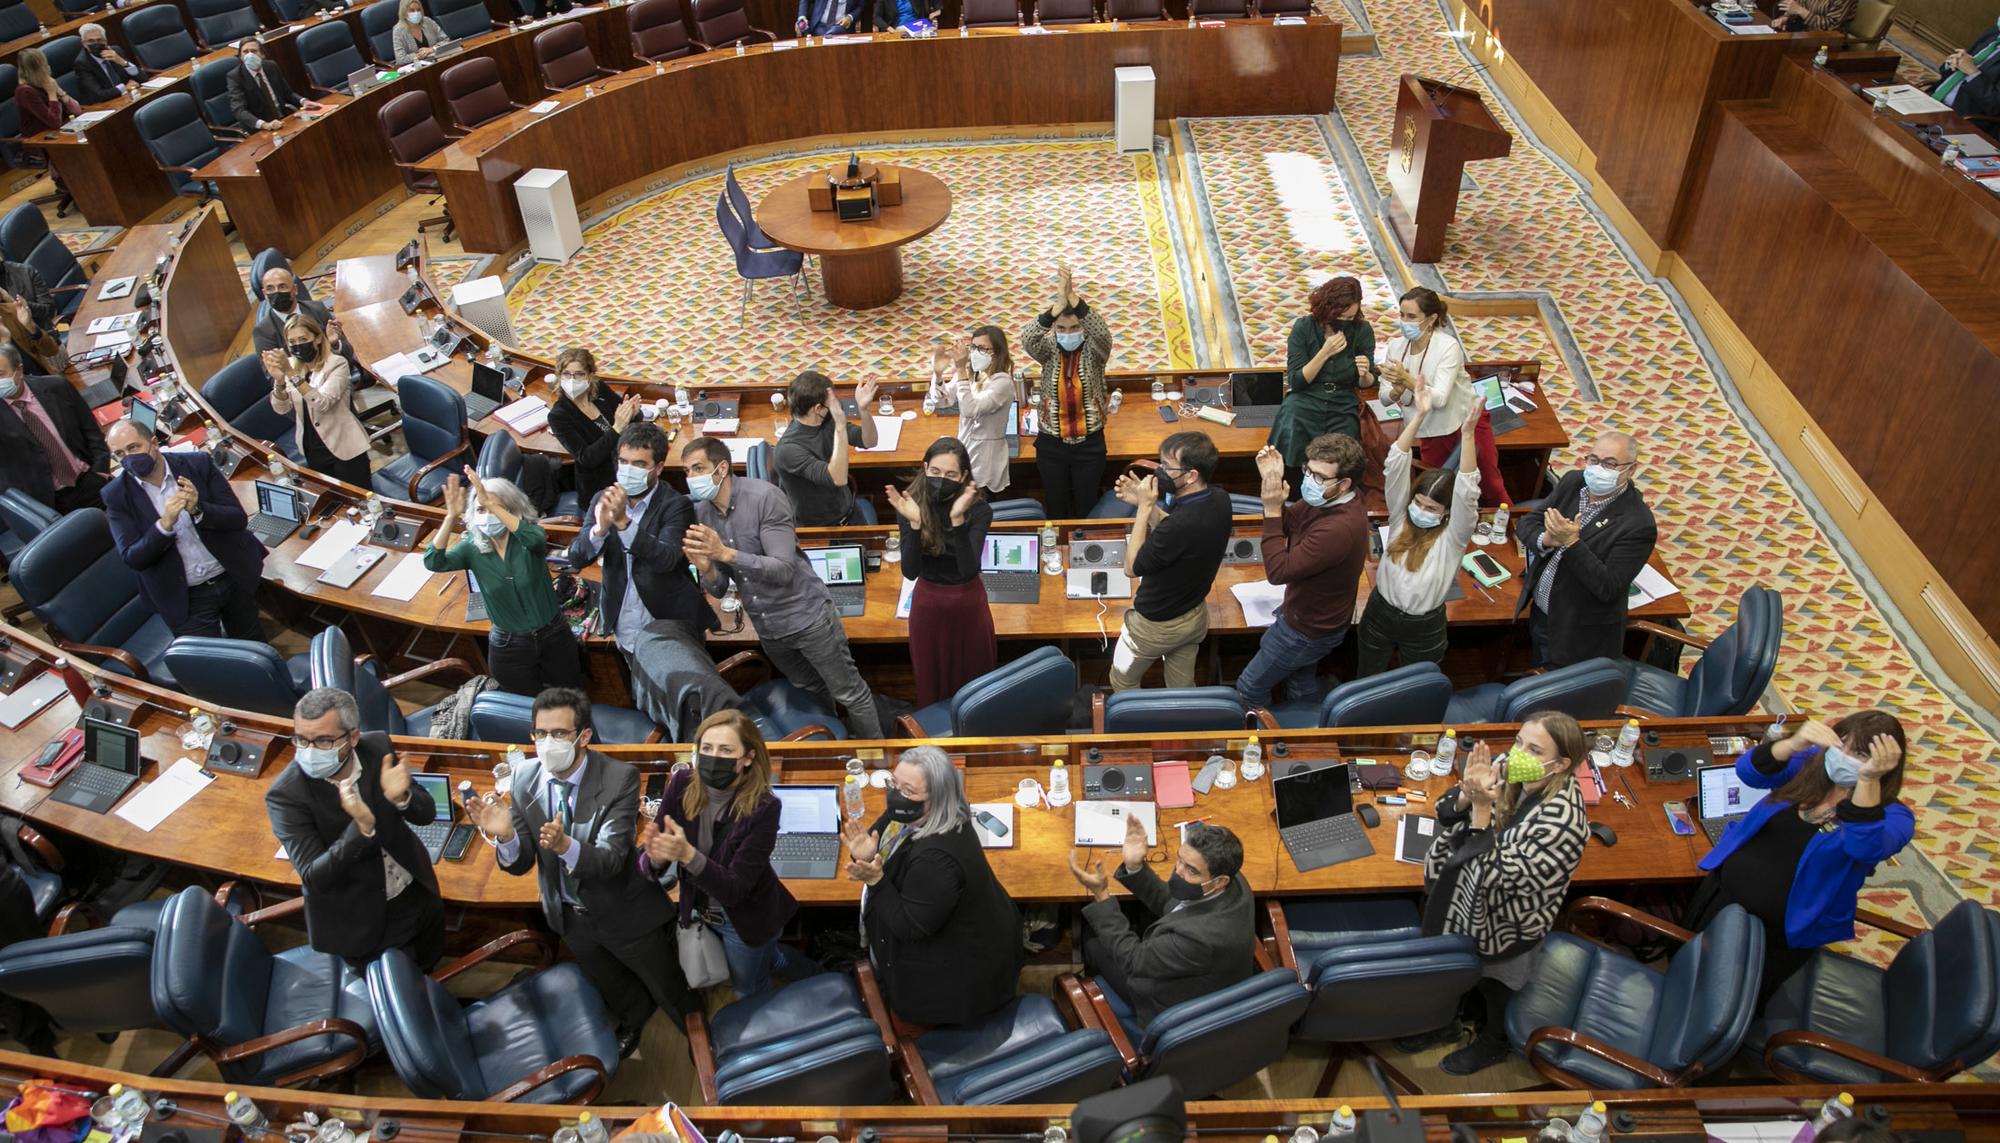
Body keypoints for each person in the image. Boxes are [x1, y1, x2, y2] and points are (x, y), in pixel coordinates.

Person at [472, 687, 692, 1059]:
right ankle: (634, 1018)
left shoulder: (619, 779)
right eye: (539, 734)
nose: (546, 743)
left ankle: (695, 1038)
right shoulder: (525, 776)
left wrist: (564, 847)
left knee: (668, 986)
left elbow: (610, 858)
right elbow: (522, 860)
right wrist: (507, 835)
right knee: (611, 981)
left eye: (559, 733)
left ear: (584, 736)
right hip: (568, 914)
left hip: (623, 912)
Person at [1685, 712, 1912, 1005]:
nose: (1842, 757)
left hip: (1776, 936)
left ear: (1884, 766)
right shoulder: (1813, 765)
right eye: (1840, 745)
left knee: (1724, 1001)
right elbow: (1748, 772)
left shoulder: (1896, 818)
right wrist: (1793, 744)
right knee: (1687, 966)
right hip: (1722, 893)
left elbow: (1863, 848)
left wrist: (1868, 780)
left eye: (1857, 754)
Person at [1416, 711, 1589, 1075]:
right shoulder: (1510, 766)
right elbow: (1444, 811)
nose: (1517, 754)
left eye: (1535, 750)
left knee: (1495, 984)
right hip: (1464, 899)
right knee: (1461, 971)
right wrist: (1467, 794)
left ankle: (1494, 1042)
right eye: (1519, 742)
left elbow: (1495, 879)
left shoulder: (1565, 824)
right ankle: (1451, 1021)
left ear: (1560, 764)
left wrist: (1480, 812)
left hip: (1508, 922)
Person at [679, 436, 883, 738]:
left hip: (807, 618)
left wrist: (724, 554)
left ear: (721, 469)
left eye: (698, 468)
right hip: (769, 628)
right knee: (809, 690)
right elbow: (721, 588)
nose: (691, 478)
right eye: (686, 472)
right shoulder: (703, 515)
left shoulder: (765, 498)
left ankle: (875, 758)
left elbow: (783, 568)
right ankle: (832, 744)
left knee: (850, 693)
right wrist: (707, 567)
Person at [640, 710, 822, 997]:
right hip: (699, 909)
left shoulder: (764, 808)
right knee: (767, 959)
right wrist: (655, 858)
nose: (713, 757)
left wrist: (687, 855)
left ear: (748, 758)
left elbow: (735, 890)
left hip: (744, 919)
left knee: (748, 987)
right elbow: (651, 857)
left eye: (726, 750)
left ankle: (810, 981)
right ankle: (798, 968)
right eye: (707, 748)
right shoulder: (681, 783)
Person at [567, 423, 734, 738]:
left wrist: (624, 523)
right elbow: (576, 558)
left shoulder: (676, 505)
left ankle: (702, 745)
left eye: (639, 464)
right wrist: (600, 529)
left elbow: (667, 558)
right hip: (625, 624)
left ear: (658, 467)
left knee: (689, 697)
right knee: (652, 697)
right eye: (624, 462)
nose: (628, 470)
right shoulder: (603, 498)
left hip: (671, 622)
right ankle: (670, 746)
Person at [266, 688, 445, 971]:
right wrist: (361, 828)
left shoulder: (378, 748)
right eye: (301, 739)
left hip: (416, 889)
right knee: (402, 992)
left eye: (323, 741)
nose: (309, 751)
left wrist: (402, 798)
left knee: (432, 963)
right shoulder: (287, 795)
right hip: (364, 922)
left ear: (352, 737)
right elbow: (315, 876)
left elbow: (426, 814)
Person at [842, 746, 1021, 1027]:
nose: (896, 794)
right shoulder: (909, 813)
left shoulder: (936, 861)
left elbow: (910, 928)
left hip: (956, 975)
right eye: (893, 783)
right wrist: (864, 855)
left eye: (908, 790)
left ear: (935, 799)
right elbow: (876, 844)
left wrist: (875, 881)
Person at [1069, 815, 1255, 1028]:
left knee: (1092, 940)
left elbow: (1134, 961)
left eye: (1191, 870)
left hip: (1168, 1002)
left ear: (1220, 881)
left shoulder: (1197, 939)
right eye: (1180, 859)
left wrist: (1101, 894)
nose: (1178, 871)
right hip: (1202, 970)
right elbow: (1173, 902)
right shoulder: (1233, 880)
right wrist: (1134, 867)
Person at [101, 419, 266, 640]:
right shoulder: (116, 495)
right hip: (184, 597)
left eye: (134, 447)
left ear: (154, 443)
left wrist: (199, 510)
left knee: (253, 641)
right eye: (120, 454)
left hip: (230, 575)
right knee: (215, 665)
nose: (129, 458)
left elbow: (237, 519)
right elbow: (133, 558)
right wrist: (164, 525)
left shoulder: (197, 464)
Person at [1235, 434, 1368, 708]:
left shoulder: (1338, 529)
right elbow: (1289, 523)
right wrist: (1271, 485)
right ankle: (1303, 722)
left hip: (1305, 630)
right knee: (1298, 677)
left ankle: (1269, 740)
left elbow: (1278, 571)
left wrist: (1272, 507)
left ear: (1344, 484)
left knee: (1249, 687)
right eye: (1307, 470)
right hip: (1318, 619)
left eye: (1319, 476)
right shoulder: (1327, 500)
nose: (1309, 480)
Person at [1356, 388, 1482, 676]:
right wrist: (1420, 415)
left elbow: (1466, 492)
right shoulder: (1401, 516)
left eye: (1432, 508)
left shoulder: (1453, 536)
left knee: (1413, 684)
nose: (1422, 511)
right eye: (1419, 502)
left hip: (1424, 625)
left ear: (1446, 514)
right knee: (1366, 675)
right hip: (1381, 611)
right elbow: (1396, 461)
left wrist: (1468, 435)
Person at [426, 469, 583, 696]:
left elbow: (537, 538)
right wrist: (450, 517)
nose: (488, 515)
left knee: (571, 696)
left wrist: (492, 505)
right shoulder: (471, 547)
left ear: (513, 511)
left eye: (495, 509)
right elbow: (434, 561)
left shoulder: (527, 539)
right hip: (509, 644)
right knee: (524, 704)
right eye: (481, 509)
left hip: (554, 635)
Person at [1513, 433, 1656, 667]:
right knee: (1539, 660)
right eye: (1593, 459)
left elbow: (1608, 587)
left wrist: (1572, 543)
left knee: (1559, 688)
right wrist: (1547, 539)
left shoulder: (1638, 525)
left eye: (1610, 463)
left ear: (1631, 470)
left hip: (1577, 632)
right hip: (1541, 610)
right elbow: (1529, 523)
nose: (1598, 469)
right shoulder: (1573, 482)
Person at [1108, 431, 1231, 691]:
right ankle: (1183, 724)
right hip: (1194, 616)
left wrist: (1142, 509)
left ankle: (1137, 727)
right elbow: (1175, 531)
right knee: (1182, 685)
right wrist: (1147, 505)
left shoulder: (1180, 526)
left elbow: (1131, 568)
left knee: (1122, 679)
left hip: (1155, 626)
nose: (1159, 472)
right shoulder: (1220, 500)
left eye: (1166, 466)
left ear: (1191, 475)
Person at [887, 437, 995, 708]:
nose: (941, 479)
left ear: (963, 476)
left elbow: (968, 570)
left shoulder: (979, 509)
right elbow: (910, 571)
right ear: (925, 468)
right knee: (931, 677)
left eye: (950, 474)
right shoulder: (911, 503)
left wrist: (957, 520)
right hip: (928, 604)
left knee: (974, 677)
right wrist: (914, 523)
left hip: (967, 602)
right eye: (935, 472)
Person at [1380, 287, 1505, 506]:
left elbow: (1439, 398)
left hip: (1465, 423)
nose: (1404, 322)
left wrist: (1405, 379)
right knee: (1436, 491)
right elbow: (1384, 398)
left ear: (1431, 319)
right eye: (1401, 315)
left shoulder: (1448, 346)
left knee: (1489, 484)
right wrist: (1396, 391)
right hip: (1430, 432)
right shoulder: (1395, 347)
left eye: (1411, 317)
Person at [1019, 264, 1112, 519]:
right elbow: (1027, 339)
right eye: (1062, 329)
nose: (1068, 334)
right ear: (1054, 330)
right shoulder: (1048, 349)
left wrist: (1074, 300)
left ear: (1083, 329)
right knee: (1056, 502)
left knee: (1087, 503)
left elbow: (1102, 332)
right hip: (1052, 443)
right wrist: (1053, 311)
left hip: (1089, 443)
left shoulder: (1095, 351)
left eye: (1074, 329)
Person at [1270, 275, 1373, 472]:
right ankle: (1294, 483)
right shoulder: (1304, 327)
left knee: (1346, 450)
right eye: (1340, 317)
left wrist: (1365, 373)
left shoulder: (1362, 330)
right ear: (1328, 310)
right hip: (1306, 396)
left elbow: (1367, 382)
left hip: (1342, 401)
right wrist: (1325, 352)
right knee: (1292, 424)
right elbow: (1296, 381)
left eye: (1350, 318)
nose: (1345, 322)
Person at [264, 313, 371, 489]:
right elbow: (281, 409)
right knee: (333, 501)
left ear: (318, 338)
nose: (298, 345)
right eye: (292, 342)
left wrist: (290, 374)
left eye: (303, 339)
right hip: (312, 446)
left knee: (359, 498)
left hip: (343, 446)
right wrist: (280, 382)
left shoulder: (336, 364)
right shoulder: (291, 365)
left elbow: (322, 403)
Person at [0, 348, 106, 514]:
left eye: (0, 374)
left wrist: (101, 471)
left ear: (19, 370)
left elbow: (91, 431)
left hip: (90, 481)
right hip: (50, 504)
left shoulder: (57, 386)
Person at [774, 371, 880, 526]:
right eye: (830, 401)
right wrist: (841, 427)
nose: (834, 404)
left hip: (847, 511)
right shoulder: (788, 450)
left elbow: (870, 441)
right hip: (818, 527)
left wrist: (863, 410)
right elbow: (838, 478)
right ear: (817, 408)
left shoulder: (827, 420)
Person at [546, 347, 640, 510]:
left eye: (579, 374)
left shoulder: (599, 389)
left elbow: (628, 420)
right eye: (566, 374)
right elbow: (587, 458)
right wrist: (617, 428)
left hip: (628, 465)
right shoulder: (559, 415)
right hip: (601, 486)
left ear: (590, 376)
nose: (572, 379)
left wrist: (633, 412)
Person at [943, 326, 1016, 494]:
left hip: (986, 460)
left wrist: (960, 369)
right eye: (974, 347)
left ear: (997, 351)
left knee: (980, 507)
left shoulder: (1002, 383)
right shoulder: (971, 372)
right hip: (965, 450)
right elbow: (943, 400)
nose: (976, 352)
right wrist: (938, 374)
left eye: (982, 348)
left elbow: (970, 409)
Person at [228, 38, 313, 134]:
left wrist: (304, 101)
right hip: (260, 129)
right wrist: (265, 125)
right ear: (240, 56)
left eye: (254, 51)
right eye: (245, 52)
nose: (250, 55)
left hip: (283, 120)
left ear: (262, 54)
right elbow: (239, 111)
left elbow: (288, 93)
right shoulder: (235, 77)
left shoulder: (271, 66)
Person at [0, 258, 61, 374]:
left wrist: (31, 326)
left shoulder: (11, 311)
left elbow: (51, 350)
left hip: (41, 375)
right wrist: (5, 343)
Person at [1934, 17, 2000, 116]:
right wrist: (1952, 63)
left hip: (1961, 116)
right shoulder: (1993, 33)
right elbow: (1947, 72)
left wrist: (1973, 73)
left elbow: (1995, 105)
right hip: (1934, 97)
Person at [14, 49, 79, 138]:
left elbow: (77, 111)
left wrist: (60, 91)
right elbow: (54, 122)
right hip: (41, 141)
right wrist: (52, 94)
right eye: (44, 64)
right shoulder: (25, 91)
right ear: (39, 68)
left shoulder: (46, 82)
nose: (48, 67)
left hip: (61, 132)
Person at [74, 23, 143, 104]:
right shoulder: (82, 63)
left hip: (128, 98)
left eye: (99, 40)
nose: (96, 44)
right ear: (84, 44)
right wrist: (124, 87)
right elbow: (99, 95)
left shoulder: (116, 51)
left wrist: (122, 62)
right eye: (91, 41)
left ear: (106, 41)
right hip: (105, 105)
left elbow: (142, 78)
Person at [392, 0, 450, 64]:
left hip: (438, 61)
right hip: (417, 68)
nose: (416, 13)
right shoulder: (398, 31)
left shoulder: (427, 21)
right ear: (404, 12)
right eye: (412, 10)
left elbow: (446, 40)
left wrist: (432, 49)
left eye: (418, 10)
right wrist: (420, 55)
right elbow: (400, 59)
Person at [1769, 0, 1854, 31]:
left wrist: (1801, 11)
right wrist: (1785, 18)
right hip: (1802, 31)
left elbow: (1831, 26)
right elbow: (1798, 5)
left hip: (1826, 41)